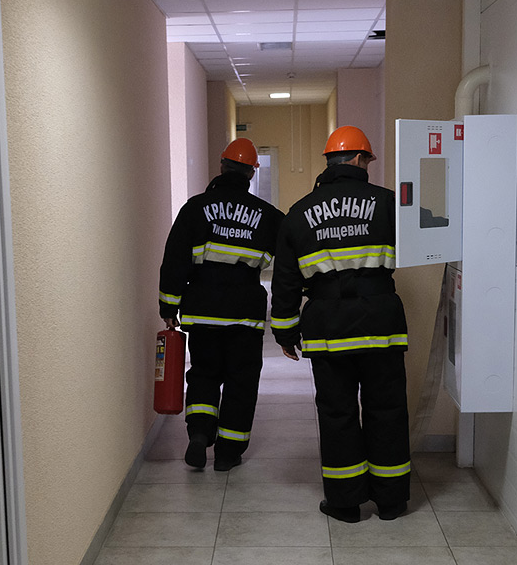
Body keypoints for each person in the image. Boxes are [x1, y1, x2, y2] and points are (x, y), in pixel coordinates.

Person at [271, 126, 410, 522]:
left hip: (328, 326)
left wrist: (285, 331)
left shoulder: (300, 212)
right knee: (387, 409)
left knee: (337, 413)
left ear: (329, 162)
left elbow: (285, 281)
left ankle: (345, 503)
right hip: (381, 321)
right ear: (360, 159)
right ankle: (391, 501)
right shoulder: (388, 203)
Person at [159, 138, 284, 471]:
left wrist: (168, 307)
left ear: (221, 166)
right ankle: (228, 453)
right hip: (245, 311)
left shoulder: (194, 208)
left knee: (204, 373)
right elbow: (290, 256)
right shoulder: (268, 216)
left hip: (202, 309)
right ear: (251, 173)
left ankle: (200, 433)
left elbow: (174, 260)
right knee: (241, 379)